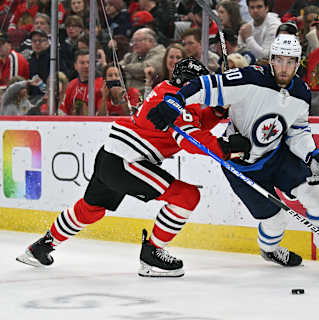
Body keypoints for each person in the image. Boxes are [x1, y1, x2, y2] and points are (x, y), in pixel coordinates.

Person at [16, 57, 251, 277]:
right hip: (127, 161)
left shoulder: (168, 91)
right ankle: (152, 255)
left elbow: (194, 119)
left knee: (91, 209)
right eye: (199, 85)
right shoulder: (175, 103)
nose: (202, 91)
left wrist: (216, 112)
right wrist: (227, 147)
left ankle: (40, 247)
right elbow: (191, 140)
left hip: (111, 154)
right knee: (187, 196)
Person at [148, 34, 319, 272]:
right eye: (279, 60)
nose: (284, 67)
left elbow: (298, 130)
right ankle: (270, 250)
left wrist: (313, 155)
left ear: (298, 63)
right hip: (240, 165)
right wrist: (176, 100)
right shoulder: (249, 78)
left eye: (290, 62)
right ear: (271, 60)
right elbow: (204, 85)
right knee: (276, 220)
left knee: (316, 194)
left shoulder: (301, 92)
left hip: (277, 156)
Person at [120, 28, 166, 94]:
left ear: (151, 41)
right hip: (129, 95)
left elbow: (143, 68)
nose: (134, 44)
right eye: (132, 41)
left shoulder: (161, 53)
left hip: (147, 96)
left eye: (138, 40)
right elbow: (117, 66)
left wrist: (124, 68)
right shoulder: (134, 54)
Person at [58, 50, 103, 115]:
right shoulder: (71, 85)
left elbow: (102, 116)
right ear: (75, 66)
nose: (86, 66)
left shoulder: (102, 85)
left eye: (89, 62)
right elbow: (62, 112)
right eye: (82, 63)